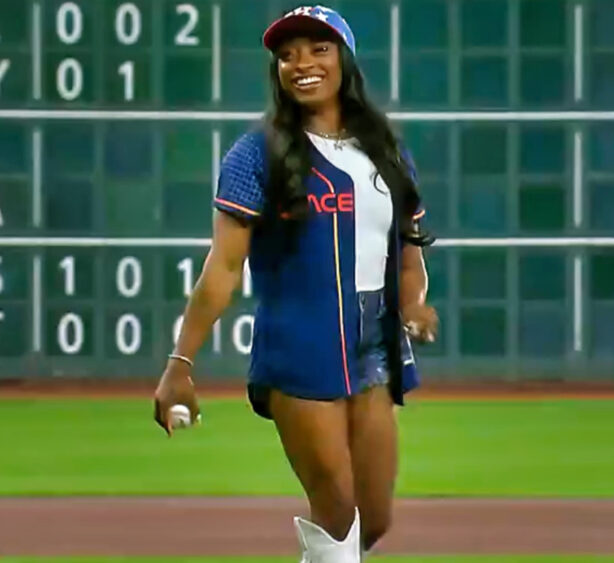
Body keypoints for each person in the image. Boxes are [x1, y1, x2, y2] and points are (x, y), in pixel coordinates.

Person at [153, 5, 438, 562]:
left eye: (318, 49)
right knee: (336, 514)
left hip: (374, 349)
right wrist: (180, 362)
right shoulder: (256, 155)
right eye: (287, 55)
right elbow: (224, 268)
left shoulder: (387, 151)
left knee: (372, 520)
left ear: (345, 60)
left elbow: (409, 253)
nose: (301, 63)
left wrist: (414, 304)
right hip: (299, 344)